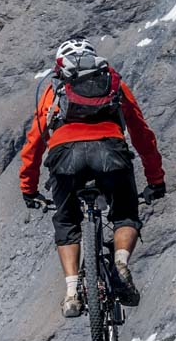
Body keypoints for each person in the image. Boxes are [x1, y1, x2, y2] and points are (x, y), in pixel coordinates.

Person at [19, 37, 166, 317]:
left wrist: (29, 188)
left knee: (66, 221)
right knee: (125, 213)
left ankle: (73, 293)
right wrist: (155, 179)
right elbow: (141, 133)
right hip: (111, 152)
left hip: (64, 158)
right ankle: (120, 262)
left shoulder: (54, 89)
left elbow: (34, 142)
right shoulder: (113, 83)